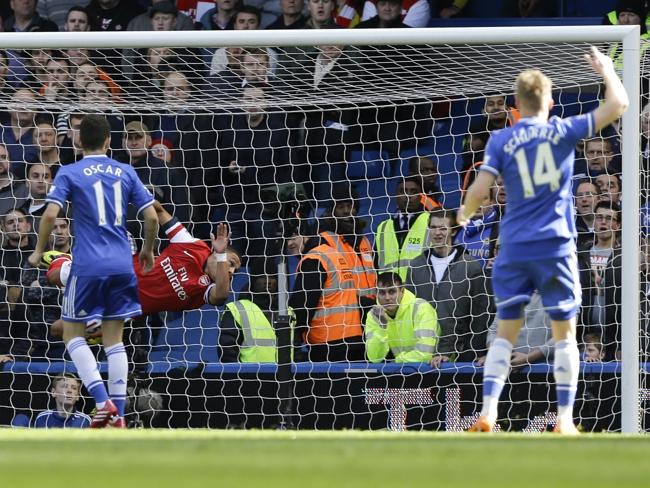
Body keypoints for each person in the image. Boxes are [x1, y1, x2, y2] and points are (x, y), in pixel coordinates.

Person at [459, 46, 628, 434]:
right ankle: (565, 421)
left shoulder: (500, 140)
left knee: (505, 330)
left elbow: (481, 188)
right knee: (564, 332)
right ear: (550, 101)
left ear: (516, 102)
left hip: (515, 246)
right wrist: (604, 69)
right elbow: (618, 104)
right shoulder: (563, 130)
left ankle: (487, 413)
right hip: (555, 246)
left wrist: (465, 213)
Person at [28, 114, 159, 429]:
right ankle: (121, 416)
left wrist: (38, 250)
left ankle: (103, 404)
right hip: (121, 263)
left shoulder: (70, 172)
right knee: (115, 340)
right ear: (109, 141)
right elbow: (152, 218)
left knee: (73, 334)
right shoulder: (126, 170)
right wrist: (147, 250)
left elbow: (49, 215)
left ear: (78, 141)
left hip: (87, 265)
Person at [47, 201, 240, 316]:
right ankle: (64, 260)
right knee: (53, 276)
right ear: (213, 252)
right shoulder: (192, 245)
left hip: (121, 307)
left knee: (61, 328)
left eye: (233, 271)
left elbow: (222, 295)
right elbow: (161, 212)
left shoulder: (205, 290)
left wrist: (223, 255)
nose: (230, 271)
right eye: (231, 264)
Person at [406, 209, 491, 367]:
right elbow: (408, 311)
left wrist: (470, 352)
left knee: (453, 393)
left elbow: (480, 315)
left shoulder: (470, 267)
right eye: (433, 227)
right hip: (421, 357)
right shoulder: (416, 265)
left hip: (458, 358)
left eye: (443, 228)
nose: (437, 233)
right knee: (419, 393)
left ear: (453, 232)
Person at [365, 272, 439, 363]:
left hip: (436, 368)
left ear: (402, 291)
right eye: (382, 293)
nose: (387, 297)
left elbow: (425, 355)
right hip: (402, 370)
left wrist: (396, 362)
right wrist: (382, 328)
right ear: (376, 294)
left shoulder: (420, 308)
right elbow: (375, 358)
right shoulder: (374, 315)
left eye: (392, 292)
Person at [374, 177, 429, 280]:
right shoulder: (383, 227)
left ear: (421, 196)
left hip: (419, 290)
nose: (408, 196)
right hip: (389, 292)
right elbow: (375, 264)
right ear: (396, 196)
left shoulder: (431, 223)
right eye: (403, 191)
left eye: (413, 191)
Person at [219, 270, 279, 363]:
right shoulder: (238, 309)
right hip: (248, 375)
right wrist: (239, 375)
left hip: (286, 375)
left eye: (272, 277)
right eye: (262, 276)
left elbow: (295, 350)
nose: (268, 281)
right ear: (253, 281)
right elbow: (227, 348)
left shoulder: (288, 311)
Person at [12, 374, 91, 428]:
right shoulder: (42, 418)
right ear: (53, 392)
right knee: (20, 419)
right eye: (64, 386)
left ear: (77, 396)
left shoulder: (85, 420)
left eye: (74, 388)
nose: (69, 391)